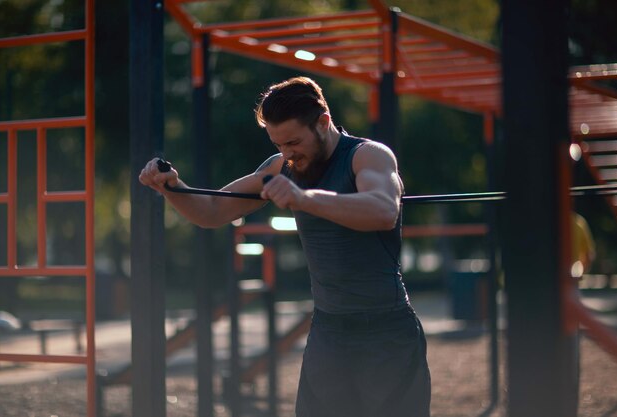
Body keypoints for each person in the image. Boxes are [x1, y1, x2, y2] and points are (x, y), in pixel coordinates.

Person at [139, 76, 431, 417]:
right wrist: (173, 188)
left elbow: (383, 211)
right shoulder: (283, 166)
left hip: (386, 332)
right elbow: (212, 212)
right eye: (279, 145)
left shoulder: (368, 156)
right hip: (329, 332)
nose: (287, 153)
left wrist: (304, 198)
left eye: (293, 141)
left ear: (323, 122)